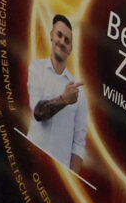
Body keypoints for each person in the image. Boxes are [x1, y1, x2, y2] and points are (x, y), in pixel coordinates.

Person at [24, 14, 88, 174]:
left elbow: (79, 144)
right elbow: (38, 112)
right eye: (59, 35)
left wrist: (71, 179)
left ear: (71, 49)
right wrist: (64, 100)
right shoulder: (37, 69)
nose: (62, 42)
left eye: (67, 40)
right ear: (51, 35)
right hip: (29, 164)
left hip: (58, 175)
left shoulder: (79, 92)